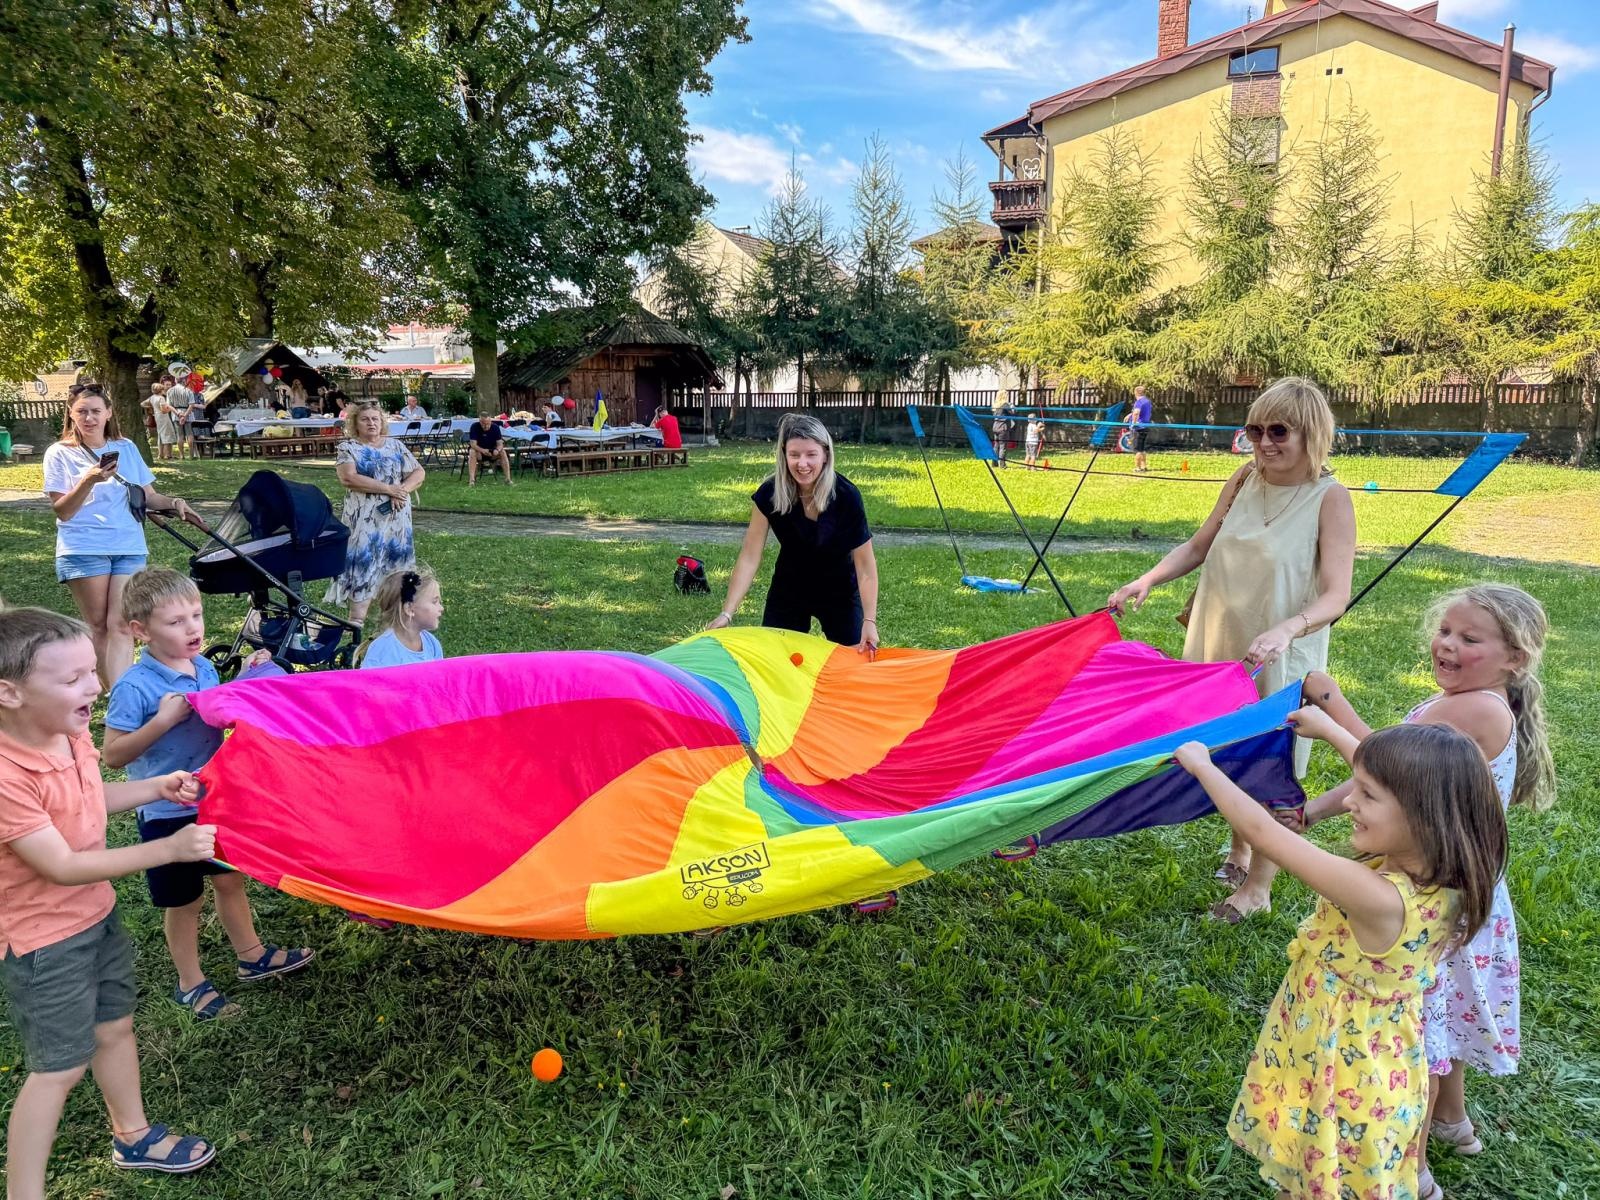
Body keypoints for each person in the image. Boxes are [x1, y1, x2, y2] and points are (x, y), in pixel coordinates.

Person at [1289, 584, 1554, 1192]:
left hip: (1435, 894)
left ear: (1515, 658)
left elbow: (1382, 763)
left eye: (1470, 638)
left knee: (1420, 1038)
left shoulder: (1478, 710)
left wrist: (1330, 706)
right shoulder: (1468, 701)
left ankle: (1415, 1171)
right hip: (1461, 890)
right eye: (1446, 631)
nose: (1448, 646)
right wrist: (1312, 814)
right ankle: (1454, 1123)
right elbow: (1382, 780)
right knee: (1443, 1023)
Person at [1177, 722, 1506, 1200]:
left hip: (1344, 1070)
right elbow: (1405, 785)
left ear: (1423, 816)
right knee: (1322, 1172)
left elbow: (1262, 833)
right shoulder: (1441, 872)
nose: (1350, 801)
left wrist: (1201, 764)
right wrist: (1329, 728)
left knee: (1325, 1175)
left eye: (1366, 795)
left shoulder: (1381, 899)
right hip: (1378, 1054)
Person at [1107, 377, 1356, 918]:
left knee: (1270, 756)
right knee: (1224, 744)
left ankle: (1259, 887)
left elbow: (1337, 594)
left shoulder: (1329, 497)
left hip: (1281, 647)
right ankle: (1242, 846)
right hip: (1220, 638)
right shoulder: (1244, 479)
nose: (1264, 442)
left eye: (1278, 431)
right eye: (1254, 429)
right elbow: (1199, 546)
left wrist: (1290, 628)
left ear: (1310, 433)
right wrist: (1147, 580)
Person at [0, 607, 221, 1194]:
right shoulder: (6, 775)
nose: (95, 686)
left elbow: (94, 798)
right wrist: (169, 848)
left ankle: (133, 1135)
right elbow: (63, 866)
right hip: (45, 943)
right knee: (59, 1069)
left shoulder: (69, 737)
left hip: (96, 919)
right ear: (9, 693)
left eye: (91, 672)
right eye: (72, 679)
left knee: (116, 1027)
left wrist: (156, 786)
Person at [102, 569, 315, 1021]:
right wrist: (161, 721)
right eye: (176, 622)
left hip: (215, 800)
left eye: (196, 615)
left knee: (229, 879)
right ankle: (189, 982)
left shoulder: (204, 668)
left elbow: (219, 716)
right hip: (164, 811)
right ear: (141, 631)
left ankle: (251, 954)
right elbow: (113, 756)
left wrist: (245, 680)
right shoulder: (134, 686)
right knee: (185, 902)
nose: (193, 628)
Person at [43, 383, 204, 687]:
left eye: (95, 411)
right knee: (99, 626)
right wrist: (88, 480)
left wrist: (175, 503)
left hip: (128, 544)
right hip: (84, 547)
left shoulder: (127, 448)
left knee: (122, 624)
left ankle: (121, 694)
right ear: (71, 414)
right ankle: (112, 693)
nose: (89, 418)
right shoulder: (59, 454)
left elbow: (148, 495)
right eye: (82, 412)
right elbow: (63, 510)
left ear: (108, 413)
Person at [707, 414, 879, 656]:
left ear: (826, 455)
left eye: (811, 454)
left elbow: (865, 566)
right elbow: (749, 556)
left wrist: (869, 621)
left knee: (854, 660)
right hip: (790, 586)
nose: (802, 463)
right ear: (784, 455)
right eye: (794, 454)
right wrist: (727, 613)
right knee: (776, 659)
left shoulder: (847, 496)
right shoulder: (769, 493)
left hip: (839, 589)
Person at [326, 402, 425, 625]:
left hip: (397, 522)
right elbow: (348, 478)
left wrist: (401, 492)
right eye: (365, 419)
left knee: (398, 566)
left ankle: (396, 622)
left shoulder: (396, 446)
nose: (371, 423)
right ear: (355, 423)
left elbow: (418, 472)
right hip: (364, 521)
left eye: (375, 419)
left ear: (382, 422)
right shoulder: (348, 448)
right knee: (364, 564)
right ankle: (356, 622)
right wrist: (389, 489)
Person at [358, 567, 445, 669]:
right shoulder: (381, 650)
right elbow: (369, 683)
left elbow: (439, 679)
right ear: (409, 609)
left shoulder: (432, 643)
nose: (441, 608)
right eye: (434, 602)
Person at [465, 413, 513, 486]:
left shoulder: (495, 427)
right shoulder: (474, 427)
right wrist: (482, 450)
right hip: (479, 451)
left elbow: (500, 444)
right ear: (480, 422)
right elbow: (473, 444)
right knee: (472, 451)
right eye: (483, 424)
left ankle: (508, 479)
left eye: (488, 423)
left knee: (503, 452)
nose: (486, 426)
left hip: (492, 451)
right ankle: (472, 480)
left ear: (490, 421)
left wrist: (497, 450)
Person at [163, 374, 198, 461]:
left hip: (176, 414)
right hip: (187, 413)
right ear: (184, 381)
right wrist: (185, 415)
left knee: (180, 435)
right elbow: (191, 405)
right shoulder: (188, 390)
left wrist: (178, 414)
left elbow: (169, 405)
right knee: (189, 434)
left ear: (175, 380)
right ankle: (191, 455)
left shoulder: (170, 391)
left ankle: (181, 455)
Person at [1126, 384, 1154, 473]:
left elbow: (1136, 412)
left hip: (1139, 428)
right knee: (1142, 448)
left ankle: (1138, 468)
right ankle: (1144, 466)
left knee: (1138, 449)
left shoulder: (1139, 402)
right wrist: (1130, 414)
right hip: (1146, 426)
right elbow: (1138, 411)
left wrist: (1133, 423)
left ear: (1135, 393)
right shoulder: (1147, 401)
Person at [149, 378, 178, 462]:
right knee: (167, 436)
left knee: (161, 436)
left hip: (157, 417)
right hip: (163, 417)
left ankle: (160, 454)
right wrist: (171, 408)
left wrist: (153, 410)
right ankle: (167, 455)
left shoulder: (152, 397)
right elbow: (164, 410)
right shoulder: (161, 398)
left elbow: (143, 403)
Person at [990, 395, 1015, 467]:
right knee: (1002, 446)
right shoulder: (1005, 404)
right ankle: (1002, 464)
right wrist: (1012, 407)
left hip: (995, 426)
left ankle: (994, 463)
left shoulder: (995, 405)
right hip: (1002, 427)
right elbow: (1012, 413)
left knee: (996, 445)